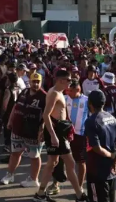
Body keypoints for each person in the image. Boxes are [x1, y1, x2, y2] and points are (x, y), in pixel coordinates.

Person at [35, 69, 87, 202]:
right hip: (56, 132)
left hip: (58, 130)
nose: (71, 82)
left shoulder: (58, 92)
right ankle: (80, 195)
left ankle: (40, 194)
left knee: (52, 163)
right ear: (61, 80)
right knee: (69, 163)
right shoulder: (54, 93)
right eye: (69, 80)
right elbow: (46, 114)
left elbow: (58, 112)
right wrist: (53, 135)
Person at [1, 72, 47, 187]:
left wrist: (42, 130)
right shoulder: (24, 92)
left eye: (38, 82)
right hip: (18, 129)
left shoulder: (44, 96)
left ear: (41, 82)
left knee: (35, 156)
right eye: (33, 81)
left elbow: (47, 115)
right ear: (29, 81)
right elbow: (15, 107)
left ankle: (33, 179)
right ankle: (10, 175)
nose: (35, 84)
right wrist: (10, 121)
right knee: (15, 153)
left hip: (33, 132)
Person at [85, 90, 116, 202]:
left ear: (90, 103)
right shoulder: (112, 118)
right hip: (111, 171)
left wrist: (112, 156)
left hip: (96, 172)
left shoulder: (91, 121)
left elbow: (96, 148)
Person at [65, 80, 89, 191]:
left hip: (80, 135)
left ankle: (79, 187)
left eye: (70, 90)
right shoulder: (65, 98)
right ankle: (55, 184)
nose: (68, 92)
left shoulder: (87, 101)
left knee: (81, 161)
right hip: (65, 135)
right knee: (58, 160)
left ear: (78, 89)